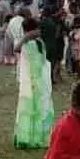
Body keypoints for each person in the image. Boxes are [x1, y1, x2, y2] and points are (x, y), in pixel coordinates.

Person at [13, 17, 55, 150]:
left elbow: (17, 49)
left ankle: (32, 137)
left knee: (34, 109)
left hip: (34, 83)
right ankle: (34, 137)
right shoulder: (33, 43)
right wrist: (27, 36)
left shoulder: (36, 43)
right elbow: (17, 48)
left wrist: (27, 37)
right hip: (36, 83)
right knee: (35, 109)